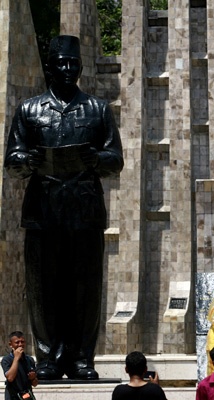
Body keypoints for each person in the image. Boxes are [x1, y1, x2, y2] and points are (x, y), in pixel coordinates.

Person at [4, 35, 124, 380]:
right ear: (50, 68)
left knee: (85, 288)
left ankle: (83, 358)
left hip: (85, 211)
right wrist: (30, 159)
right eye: (62, 64)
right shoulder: (29, 110)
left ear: (81, 67)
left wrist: (95, 157)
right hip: (43, 210)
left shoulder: (98, 109)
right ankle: (48, 358)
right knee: (44, 289)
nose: (69, 70)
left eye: (74, 64)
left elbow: (115, 159)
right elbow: (12, 161)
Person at [1, 332, 37, 400]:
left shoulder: (29, 360)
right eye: (17, 342)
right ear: (10, 344)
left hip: (27, 396)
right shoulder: (6, 360)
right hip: (13, 397)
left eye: (22, 342)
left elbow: (35, 384)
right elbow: (10, 378)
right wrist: (16, 358)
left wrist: (33, 378)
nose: (20, 345)